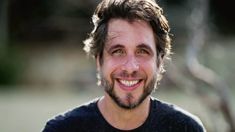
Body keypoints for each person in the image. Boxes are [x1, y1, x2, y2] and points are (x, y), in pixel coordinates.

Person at [42, 0, 206, 131]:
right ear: (99, 60)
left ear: (159, 61)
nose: (130, 67)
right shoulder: (61, 129)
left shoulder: (187, 128)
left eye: (142, 51)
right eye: (118, 51)